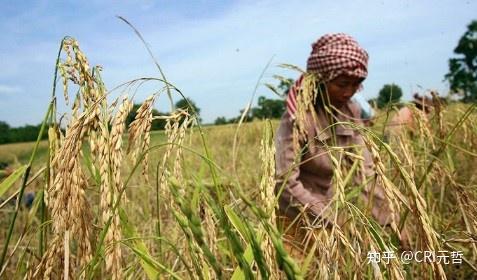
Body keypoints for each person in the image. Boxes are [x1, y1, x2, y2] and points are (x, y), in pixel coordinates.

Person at [274, 34, 406, 253]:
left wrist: (391, 223)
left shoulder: (350, 112)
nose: (349, 92)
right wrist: (332, 222)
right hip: (295, 212)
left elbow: (364, 173)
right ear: (320, 80)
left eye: (356, 84)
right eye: (342, 84)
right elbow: (285, 183)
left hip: (329, 206)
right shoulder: (297, 118)